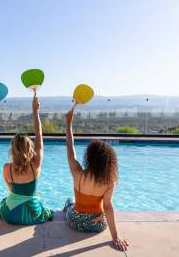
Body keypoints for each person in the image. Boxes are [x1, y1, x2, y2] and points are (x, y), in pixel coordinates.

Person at [64, 107, 129, 251]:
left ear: (89, 157)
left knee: (69, 202)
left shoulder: (77, 173)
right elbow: (107, 207)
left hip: (76, 222)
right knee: (100, 212)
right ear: (109, 163)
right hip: (97, 224)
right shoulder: (109, 181)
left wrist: (68, 123)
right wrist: (115, 237)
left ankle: (68, 206)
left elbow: (70, 146)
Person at [0, 95, 53, 224]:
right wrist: (35, 112)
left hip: (10, 215)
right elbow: (39, 134)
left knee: (4, 202)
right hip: (32, 214)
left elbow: (11, 190)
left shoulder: (7, 168)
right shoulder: (36, 165)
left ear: (12, 149)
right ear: (30, 148)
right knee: (47, 211)